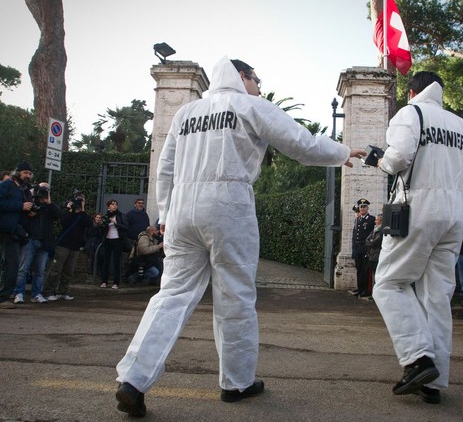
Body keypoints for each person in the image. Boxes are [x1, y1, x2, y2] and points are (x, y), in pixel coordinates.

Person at [114, 55, 365, 417]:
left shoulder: (186, 113)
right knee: (235, 296)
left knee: (171, 296)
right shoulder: (250, 106)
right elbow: (300, 142)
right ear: (242, 76)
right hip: (228, 205)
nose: (260, 86)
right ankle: (236, 382)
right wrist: (341, 151)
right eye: (257, 79)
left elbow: (165, 167)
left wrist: (166, 215)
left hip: (183, 208)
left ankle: (133, 379)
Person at [372, 71, 463, 405]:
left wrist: (378, 158)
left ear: (411, 92)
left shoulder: (411, 113)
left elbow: (398, 158)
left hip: (419, 205)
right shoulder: (461, 125)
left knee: (389, 284)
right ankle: (434, 381)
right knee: (437, 295)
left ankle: (418, 359)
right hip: (454, 211)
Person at [13, 182, 63, 304]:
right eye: (42, 189)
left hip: (44, 242)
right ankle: (18, 293)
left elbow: (60, 215)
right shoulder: (30, 202)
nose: (44, 191)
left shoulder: (49, 207)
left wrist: (49, 202)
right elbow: (21, 216)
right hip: (30, 239)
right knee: (23, 269)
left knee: (40, 271)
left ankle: (36, 294)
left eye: (47, 189)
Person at [44, 194, 93, 301]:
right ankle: (48, 291)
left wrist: (82, 209)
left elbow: (89, 223)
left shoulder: (82, 216)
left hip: (75, 246)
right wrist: (69, 209)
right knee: (56, 269)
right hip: (63, 245)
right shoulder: (68, 213)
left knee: (68, 271)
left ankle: (63, 291)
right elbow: (63, 222)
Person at [0, 162, 34, 309]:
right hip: (4, 229)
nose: (27, 176)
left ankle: (3, 297)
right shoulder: (7, 185)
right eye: (25, 172)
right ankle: (2, 298)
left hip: (13, 231)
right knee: (10, 265)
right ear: (18, 172)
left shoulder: (23, 189)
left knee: (11, 265)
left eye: (29, 173)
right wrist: (20, 206)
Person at [100, 199, 127, 289]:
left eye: (116, 204)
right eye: (112, 204)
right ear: (108, 206)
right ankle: (104, 281)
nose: (114, 206)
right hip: (107, 240)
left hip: (117, 240)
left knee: (116, 262)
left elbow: (125, 227)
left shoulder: (120, 215)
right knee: (106, 261)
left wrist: (116, 223)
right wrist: (103, 224)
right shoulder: (105, 216)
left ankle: (116, 283)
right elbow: (101, 229)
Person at [351, 198, 375, 298]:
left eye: (364, 207)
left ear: (367, 208)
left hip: (365, 248)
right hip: (358, 247)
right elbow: (354, 234)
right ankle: (360, 288)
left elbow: (373, 234)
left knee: (366, 270)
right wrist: (354, 248)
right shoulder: (357, 219)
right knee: (359, 268)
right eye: (361, 207)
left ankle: (366, 290)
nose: (362, 209)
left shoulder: (371, 219)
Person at [364, 213, 383, 301]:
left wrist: (371, 242)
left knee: (377, 275)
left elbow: (374, 242)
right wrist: (370, 242)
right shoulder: (375, 229)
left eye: (376, 220)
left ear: (381, 221)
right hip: (372, 254)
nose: (375, 221)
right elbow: (367, 239)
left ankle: (377, 295)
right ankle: (374, 294)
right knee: (374, 275)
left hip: (377, 255)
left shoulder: (381, 231)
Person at [85, 212, 105, 278]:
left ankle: (98, 272)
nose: (98, 219)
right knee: (90, 257)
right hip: (90, 243)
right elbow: (87, 234)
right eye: (97, 217)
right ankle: (89, 271)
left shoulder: (102, 226)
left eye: (100, 218)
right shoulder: (91, 225)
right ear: (94, 218)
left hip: (98, 243)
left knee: (99, 258)